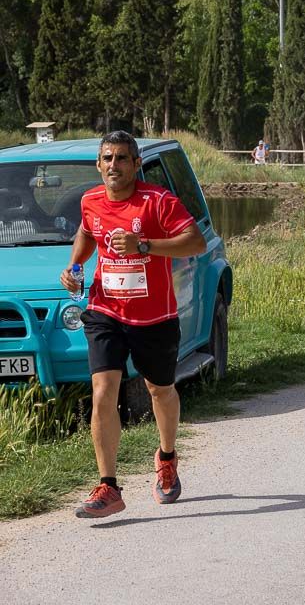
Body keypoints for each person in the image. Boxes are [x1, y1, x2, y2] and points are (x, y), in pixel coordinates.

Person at [59, 131, 208, 518]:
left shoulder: (158, 201)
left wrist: (145, 246)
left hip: (154, 316)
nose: (114, 165)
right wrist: (75, 268)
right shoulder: (90, 200)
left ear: (136, 164)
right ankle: (108, 487)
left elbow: (195, 242)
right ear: (98, 164)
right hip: (105, 310)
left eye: (122, 158)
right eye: (107, 158)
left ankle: (167, 457)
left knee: (159, 390)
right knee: (103, 390)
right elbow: (88, 232)